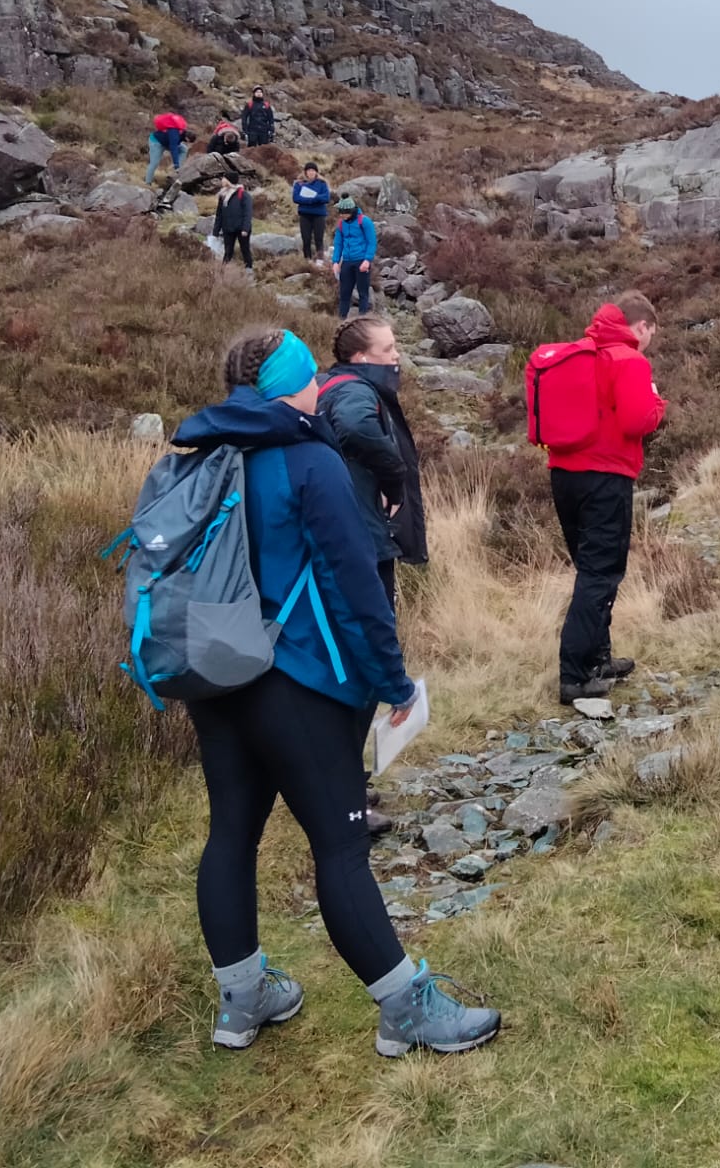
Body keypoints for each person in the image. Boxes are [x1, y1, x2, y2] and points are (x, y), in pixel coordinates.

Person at [171, 328, 500, 1058]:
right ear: (292, 385)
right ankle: (405, 1010)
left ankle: (243, 1001)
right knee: (342, 847)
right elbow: (357, 589)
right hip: (299, 681)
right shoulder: (308, 460)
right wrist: (394, 682)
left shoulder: (202, 452)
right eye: (310, 377)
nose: (321, 386)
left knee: (231, 832)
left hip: (217, 677)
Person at [547, 292, 665, 704]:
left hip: (564, 475)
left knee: (590, 569)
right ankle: (574, 676)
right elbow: (637, 421)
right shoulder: (630, 360)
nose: (649, 340)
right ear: (642, 326)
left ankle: (598, 658)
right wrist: (658, 404)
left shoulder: (578, 354)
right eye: (651, 332)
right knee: (600, 574)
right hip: (606, 477)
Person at [316, 316, 426, 608]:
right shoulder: (357, 390)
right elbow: (354, 425)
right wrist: (394, 480)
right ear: (361, 357)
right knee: (376, 622)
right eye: (388, 349)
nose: (396, 355)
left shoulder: (324, 385)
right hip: (363, 528)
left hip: (330, 524)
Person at [331, 197, 376, 318]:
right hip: (346, 262)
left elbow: (371, 242)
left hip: (361, 261)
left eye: (343, 213)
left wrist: (367, 260)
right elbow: (338, 244)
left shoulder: (365, 222)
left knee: (363, 294)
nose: (341, 215)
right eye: (340, 213)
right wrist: (335, 262)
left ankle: (363, 321)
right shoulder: (341, 224)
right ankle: (341, 321)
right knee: (344, 294)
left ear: (351, 211)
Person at [293, 163, 334, 263]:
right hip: (305, 215)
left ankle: (320, 260)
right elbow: (296, 198)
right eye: (309, 170)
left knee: (318, 238)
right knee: (306, 238)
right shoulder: (299, 184)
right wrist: (314, 199)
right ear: (305, 172)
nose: (311, 172)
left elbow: (326, 198)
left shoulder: (322, 183)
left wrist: (312, 198)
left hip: (319, 215)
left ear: (316, 172)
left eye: (313, 170)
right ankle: (307, 260)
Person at [215, 178, 254, 270]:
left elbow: (248, 213)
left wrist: (245, 228)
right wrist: (215, 231)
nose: (222, 181)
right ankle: (224, 271)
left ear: (229, 180)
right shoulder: (222, 195)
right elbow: (219, 214)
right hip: (228, 228)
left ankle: (249, 270)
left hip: (241, 229)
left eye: (224, 179)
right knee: (228, 251)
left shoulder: (243, 195)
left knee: (245, 250)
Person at [147, 109, 190, 183]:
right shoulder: (174, 133)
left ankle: (178, 170)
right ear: (187, 138)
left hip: (166, 142)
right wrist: (176, 165)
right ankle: (147, 182)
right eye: (188, 141)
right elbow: (174, 148)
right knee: (154, 163)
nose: (187, 142)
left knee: (184, 149)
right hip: (156, 142)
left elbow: (175, 145)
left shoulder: (182, 132)